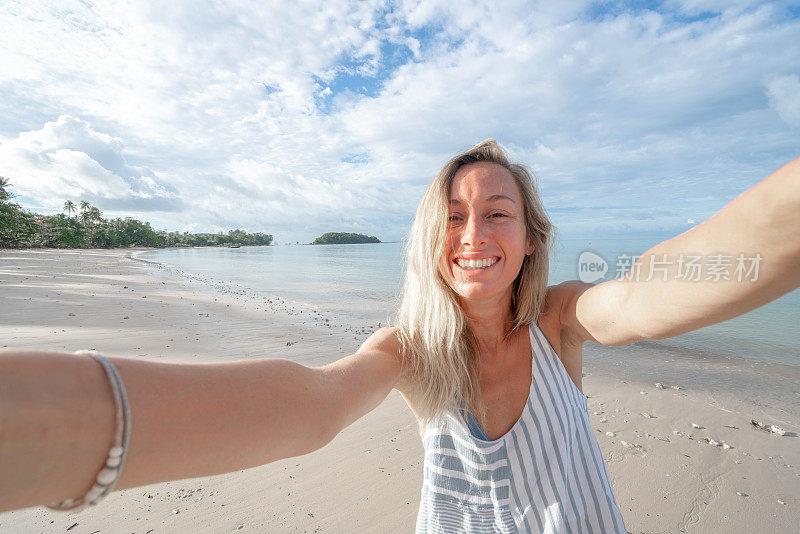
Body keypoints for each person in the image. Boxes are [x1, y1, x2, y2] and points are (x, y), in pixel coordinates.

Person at [1, 140, 799, 533]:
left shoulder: (560, 322)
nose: (474, 232)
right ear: (429, 237)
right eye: (453, 216)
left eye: (497, 212)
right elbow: (313, 402)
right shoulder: (410, 352)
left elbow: (655, 290)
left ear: (529, 239)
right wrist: (54, 429)